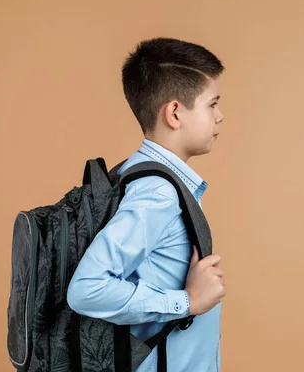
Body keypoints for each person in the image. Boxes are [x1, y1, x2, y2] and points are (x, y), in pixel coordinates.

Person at [67, 37, 227, 372]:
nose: (220, 116)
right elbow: (86, 289)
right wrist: (189, 301)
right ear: (174, 112)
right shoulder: (157, 194)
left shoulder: (136, 173)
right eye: (212, 104)